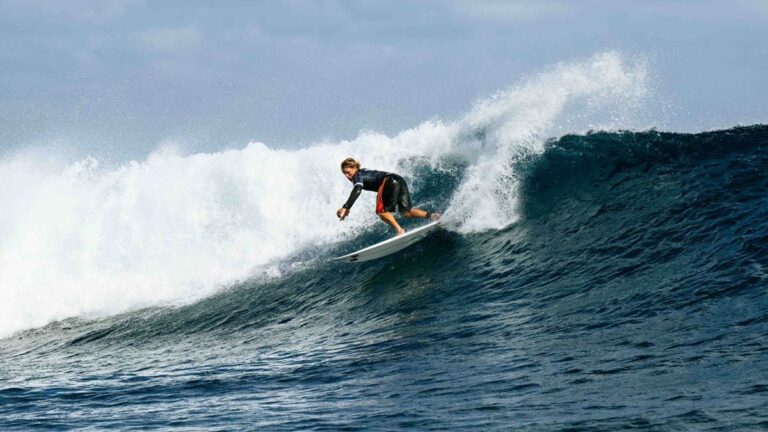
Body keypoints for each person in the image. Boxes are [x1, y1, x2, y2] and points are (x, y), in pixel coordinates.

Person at [336, 157, 440, 235]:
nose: (346, 175)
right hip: (398, 179)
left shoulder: (357, 176)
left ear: (354, 168)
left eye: (347, 172)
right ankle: (432, 216)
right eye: (344, 173)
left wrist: (346, 207)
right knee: (406, 212)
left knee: (381, 211)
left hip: (388, 181)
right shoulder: (362, 171)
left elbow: (357, 189)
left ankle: (399, 231)